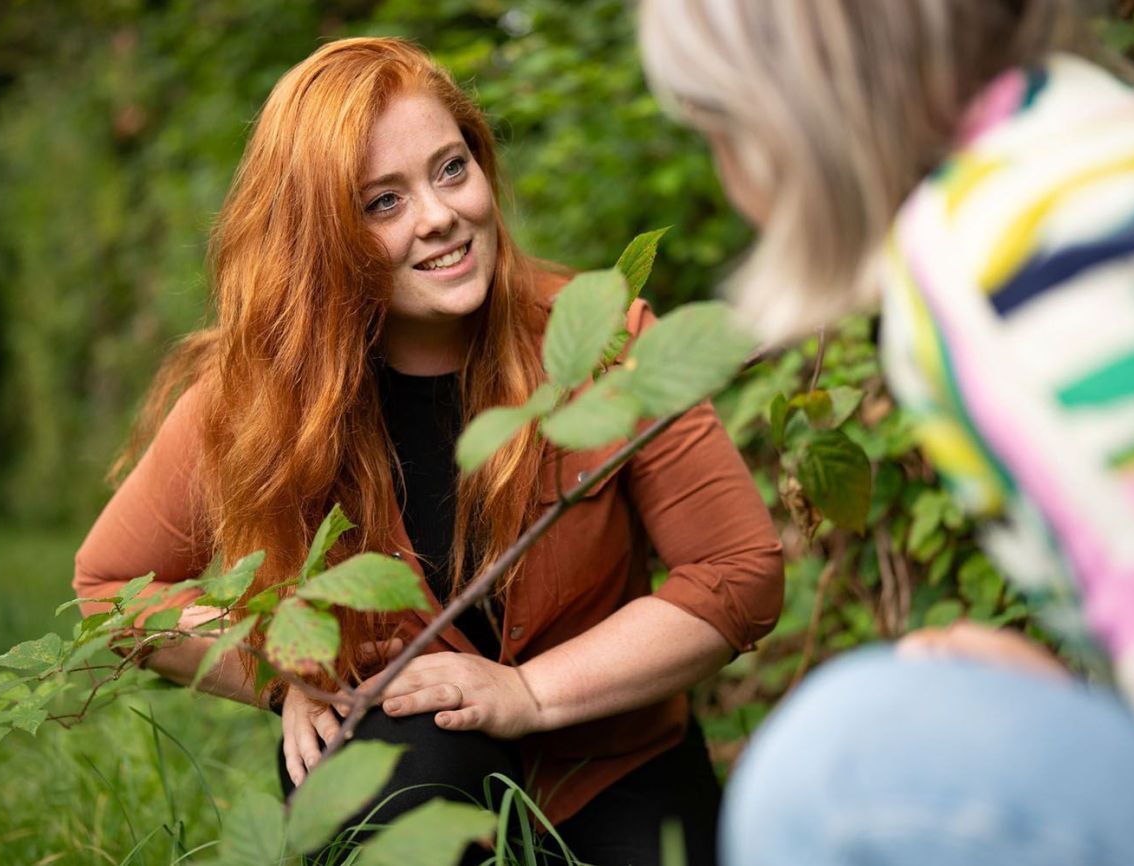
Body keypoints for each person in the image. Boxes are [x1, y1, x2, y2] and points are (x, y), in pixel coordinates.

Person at [73, 37, 784, 866]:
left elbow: (739, 570)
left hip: (615, 762)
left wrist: (530, 694)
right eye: (383, 203)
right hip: (405, 763)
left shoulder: (603, 343)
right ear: (320, 238)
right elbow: (108, 589)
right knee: (403, 773)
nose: (440, 214)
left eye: (451, 170)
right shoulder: (258, 398)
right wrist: (278, 673)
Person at [639, 1, 1134, 864]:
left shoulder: (988, 259)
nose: (725, 176)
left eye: (716, 127)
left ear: (784, 112)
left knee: (836, 766)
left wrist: (1061, 706)